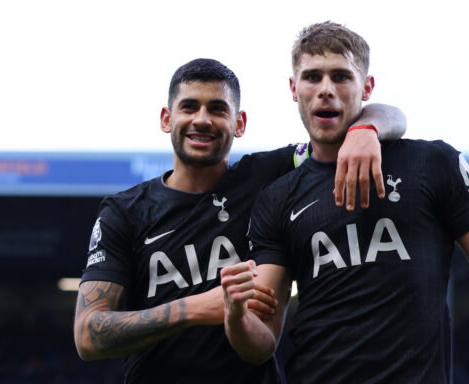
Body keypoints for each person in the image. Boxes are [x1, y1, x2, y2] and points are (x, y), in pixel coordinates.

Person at [221, 21, 469, 384]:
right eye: (312, 77)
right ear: (294, 88)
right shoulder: (277, 198)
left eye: (341, 76)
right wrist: (236, 315)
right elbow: (261, 344)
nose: (325, 90)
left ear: (366, 87)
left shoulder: (431, 164)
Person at [72, 58, 405, 383]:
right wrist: (197, 307)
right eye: (189, 107)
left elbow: (391, 116)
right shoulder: (124, 211)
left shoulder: (268, 177)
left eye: (218, 109)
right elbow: (88, 336)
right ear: (166, 118)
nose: (202, 120)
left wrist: (365, 130)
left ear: (239, 123)